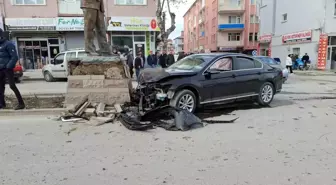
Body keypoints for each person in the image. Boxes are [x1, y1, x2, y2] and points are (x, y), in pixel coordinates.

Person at [0, 28, 25, 110]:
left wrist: (8, 66)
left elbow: (14, 57)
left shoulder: (8, 44)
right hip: (0, 69)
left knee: (12, 86)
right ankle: (2, 104)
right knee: (0, 87)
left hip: (7, 69)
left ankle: (21, 104)